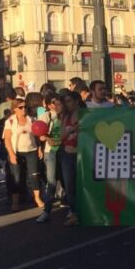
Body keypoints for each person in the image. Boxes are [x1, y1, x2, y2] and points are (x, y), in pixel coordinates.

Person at [3, 98, 44, 212]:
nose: (24, 109)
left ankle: (37, 198)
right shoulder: (10, 121)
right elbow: (7, 139)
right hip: (17, 151)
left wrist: (39, 148)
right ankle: (15, 201)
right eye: (21, 107)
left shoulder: (31, 119)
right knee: (16, 177)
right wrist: (11, 154)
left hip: (31, 150)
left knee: (35, 175)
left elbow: (36, 135)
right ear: (15, 109)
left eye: (25, 107)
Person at [36, 93, 63, 223]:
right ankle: (46, 211)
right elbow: (39, 134)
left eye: (60, 103)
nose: (57, 106)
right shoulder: (46, 116)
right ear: (49, 105)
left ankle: (71, 208)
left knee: (67, 181)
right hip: (51, 152)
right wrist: (46, 138)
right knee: (51, 182)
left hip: (65, 151)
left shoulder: (67, 116)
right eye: (54, 103)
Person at [61, 92, 85, 226]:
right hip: (68, 153)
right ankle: (74, 212)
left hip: (81, 153)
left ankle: (83, 211)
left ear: (76, 101)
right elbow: (62, 136)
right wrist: (72, 130)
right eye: (66, 102)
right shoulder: (66, 116)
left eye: (69, 101)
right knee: (69, 185)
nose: (67, 104)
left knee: (82, 183)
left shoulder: (85, 114)